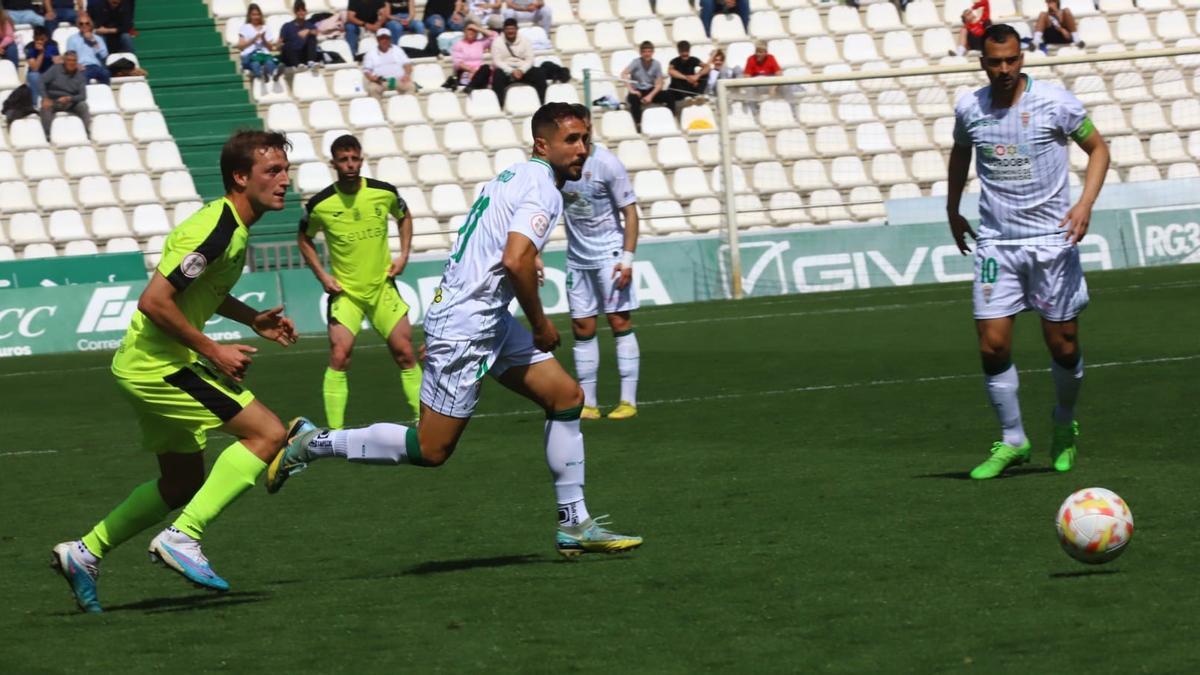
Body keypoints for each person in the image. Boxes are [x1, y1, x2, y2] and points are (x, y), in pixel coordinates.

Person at [266, 103, 643, 560]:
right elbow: (515, 260)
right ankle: (312, 442)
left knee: (566, 398)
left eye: (585, 138)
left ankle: (574, 522)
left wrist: (448, 312)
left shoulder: (510, 176)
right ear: (542, 144)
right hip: (469, 325)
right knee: (431, 448)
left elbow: (479, 247)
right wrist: (541, 324)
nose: (581, 149)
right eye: (571, 140)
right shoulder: (543, 188)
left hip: (481, 318)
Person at [50, 130, 298, 613]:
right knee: (268, 434)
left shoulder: (232, 227)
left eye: (286, 170)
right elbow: (155, 301)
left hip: (149, 363)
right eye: (273, 171)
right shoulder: (216, 228)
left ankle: (84, 552)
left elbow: (200, 290)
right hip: (158, 365)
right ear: (240, 177)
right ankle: (184, 536)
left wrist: (253, 319)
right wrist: (215, 350)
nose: (285, 180)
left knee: (181, 482)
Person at [945, 24, 1109, 480]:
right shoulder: (969, 108)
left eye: (1012, 60)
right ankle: (1013, 439)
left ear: (1022, 59)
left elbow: (1097, 149)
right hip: (997, 243)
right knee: (992, 346)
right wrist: (952, 208)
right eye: (995, 61)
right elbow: (960, 153)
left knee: (1063, 344)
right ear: (982, 62)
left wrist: (1084, 204)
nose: (1004, 69)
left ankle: (1063, 421)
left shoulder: (1056, 102)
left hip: (1052, 242)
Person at [296, 134, 423, 429]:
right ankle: (335, 432)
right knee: (340, 356)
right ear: (334, 163)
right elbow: (304, 238)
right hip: (347, 294)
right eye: (343, 159)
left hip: (382, 289)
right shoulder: (321, 204)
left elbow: (404, 217)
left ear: (361, 160)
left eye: (354, 158)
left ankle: (422, 419)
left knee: (405, 352)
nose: (350, 164)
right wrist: (322, 275)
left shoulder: (384, 192)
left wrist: (404, 255)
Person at [561, 105, 642, 421]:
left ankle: (628, 400)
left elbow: (630, 212)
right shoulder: (559, 167)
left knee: (619, 321)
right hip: (577, 257)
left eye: (583, 131)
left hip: (609, 255)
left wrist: (628, 258)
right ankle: (589, 403)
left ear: (590, 127)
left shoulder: (608, 164)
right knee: (582, 326)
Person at [490, 17, 544, 107]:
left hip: (522, 69)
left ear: (517, 29)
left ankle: (542, 103)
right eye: (508, 29)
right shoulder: (497, 42)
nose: (510, 31)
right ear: (504, 30)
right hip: (506, 70)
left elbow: (530, 59)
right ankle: (500, 105)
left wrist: (522, 70)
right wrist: (511, 71)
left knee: (539, 73)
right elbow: (497, 61)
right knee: (497, 75)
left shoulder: (525, 40)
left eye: (512, 29)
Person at [622, 41, 672, 133]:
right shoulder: (636, 62)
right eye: (644, 51)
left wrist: (650, 96)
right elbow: (624, 74)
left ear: (652, 52)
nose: (647, 54)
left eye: (649, 51)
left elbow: (659, 83)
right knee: (633, 99)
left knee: (669, 95)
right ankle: (638, 123)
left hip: (650, 90)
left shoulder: (656, 64)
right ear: (641, 53)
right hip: (638, 90)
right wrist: (631, 90)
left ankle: (671, 117)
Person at [38, 50, 90, 135]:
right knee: (45, 108)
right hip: (53, 100)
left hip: (70, 102)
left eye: (74, 60)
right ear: (64, 61)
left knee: (83, 106)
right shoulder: (55, 69)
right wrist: (45, 97)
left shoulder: (80, 76)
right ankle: (47, 135)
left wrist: (70, 98)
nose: (71, 63)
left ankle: (86, 133)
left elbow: (83, 96)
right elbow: (41, 82)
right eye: (69, 60)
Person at [238, 3, 282, 97]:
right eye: (254, 14)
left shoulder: (265, 28)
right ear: (250, 15)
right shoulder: (245, 28)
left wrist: (264, 39)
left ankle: (273, 74)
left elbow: (271, 48)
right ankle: (261, 74)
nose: (256, 17)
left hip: (264, 54)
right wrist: (253, 39)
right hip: (250, 55)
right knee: (255, 63)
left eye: (258, 14)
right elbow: (241, 46)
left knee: (270, 62)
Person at [362, 27, 415, 96]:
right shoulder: (371, 53)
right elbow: (366, 71)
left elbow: (407, 64)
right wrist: (373, 78)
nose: (384, 40)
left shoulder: (398, 50)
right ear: (377, 40)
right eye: (382, 38)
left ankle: (406, 106)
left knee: (411, 87)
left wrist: (407, 75)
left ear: (390, 39)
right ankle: (378, 107)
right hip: (380, 82)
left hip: (398, 80)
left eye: (386, 38)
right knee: (372, 89)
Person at [450, 22, 495, 91]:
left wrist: (478, 28)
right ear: (464, 31)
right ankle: (472, 86)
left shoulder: (480, 43)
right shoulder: (458, 45)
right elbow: (457, 64)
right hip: (465, 72)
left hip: (479, 73)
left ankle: (471, 86)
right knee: (484, 71)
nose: (472, 32)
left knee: (486, 68)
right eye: (469, 29)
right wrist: (472, 71)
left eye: (474, 30)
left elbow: (495, 37)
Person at [67, 13, 110, 84]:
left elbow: (104, 55)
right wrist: (76, 65)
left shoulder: (98, 38)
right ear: (78, 26)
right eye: (81, 24)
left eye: (87, 23)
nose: (84, 25)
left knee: (106, 74)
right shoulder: (72, 39)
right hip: (82, 67)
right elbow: (70, 55)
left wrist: (93, 41)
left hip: (96, 66)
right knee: (83, 78)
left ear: (91, 25)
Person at [25, 26, 62, 107]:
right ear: (33, 38)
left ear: (46, 38)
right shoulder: (29, 47)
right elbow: (35, 68)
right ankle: (35, 105)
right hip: (36, 75)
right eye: (37, 39)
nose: (39, 42)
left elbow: (58, 62)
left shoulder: (53, 45)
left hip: (49, 74)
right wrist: (41, 53)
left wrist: (57, 61)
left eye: (42, 39)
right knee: (34, 76)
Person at [279, 0, 322, 70]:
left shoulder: (309, 25)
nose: (301, 13)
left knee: (312, 37)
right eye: (298, 10)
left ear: (306, 12)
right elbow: (280, 41)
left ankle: (311, 61)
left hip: (303, 55)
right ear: (295, 12)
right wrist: (279, 44)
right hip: (291, 56)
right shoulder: (287, 26)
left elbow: (316, 32)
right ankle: (297, 64)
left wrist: (308, 31)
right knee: (286, 45)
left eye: (303, 10)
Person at [667, 40, 708, 106]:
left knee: (705, 75)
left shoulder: (693, 59)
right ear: (679, 52)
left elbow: (707, 67)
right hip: (680, 88)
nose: (685, 55)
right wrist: (687, 78)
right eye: (683, 53)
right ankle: (686, 97)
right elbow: (670, 71)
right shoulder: (674, 61)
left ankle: (699, 95)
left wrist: (697, 76)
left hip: (691, 85)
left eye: (686, 52)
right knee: (676, 77)